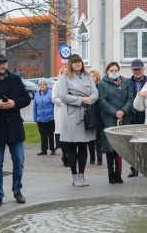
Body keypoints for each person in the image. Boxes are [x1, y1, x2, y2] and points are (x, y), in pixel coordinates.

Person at [0, 53, 31, 207]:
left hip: (15, 128)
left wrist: (14, 103)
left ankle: (17, 191)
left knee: (19, 161)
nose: (1, 66)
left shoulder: (15, 79)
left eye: (4, 63)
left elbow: (26, 98)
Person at [56, 54, 98, 187]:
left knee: (83, 147)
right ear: (70, 64)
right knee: (72, 147)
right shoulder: (65, 78)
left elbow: (96, 93)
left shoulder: (88, 77)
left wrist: (89, 99)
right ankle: (74, 175)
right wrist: (81, 100)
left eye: (79, 61)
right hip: (72, 116)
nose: (78, 64)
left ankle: (82, 175)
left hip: (85, 115)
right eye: (74, 62)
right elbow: (62, 96)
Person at [97, 61, 133, 183]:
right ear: (107, 72)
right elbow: (102, 101)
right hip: (109, 118)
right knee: (110, 147)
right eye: (111, 70)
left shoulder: (126, 82)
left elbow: (130, 99)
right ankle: (111, 173)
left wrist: (123, 111)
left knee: (120, 147)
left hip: (124, 118)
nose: (114, 72)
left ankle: (119, 173)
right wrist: (114, 112)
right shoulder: (103, 84)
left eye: (115, 70)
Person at [125, 59, 147, 177]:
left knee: (146, 143)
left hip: (145, 116)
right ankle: (134, 168)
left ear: (143, 69)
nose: (137, 71)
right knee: (133, 143)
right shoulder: (127, 82)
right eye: (135, 69)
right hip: (132, 116)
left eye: (139, 69)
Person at [33, 81, 56, 156]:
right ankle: (44, 149)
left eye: (44, 84)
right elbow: (34, 107)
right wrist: (35, 118)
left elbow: (54, 105)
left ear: (46, 85)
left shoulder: (51, 93)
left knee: (50, 134)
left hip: (50, 118)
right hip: (40, 118)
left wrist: (54, 116)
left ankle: (52, 149)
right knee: (43, 134)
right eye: (41, 84)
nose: (42, 86)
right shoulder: (36, 94)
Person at [87, 69, 103, 165]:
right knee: (90, 138)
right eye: (90, 76)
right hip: (89, 114)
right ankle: (92, 157)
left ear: (97, 77)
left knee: (98, 137)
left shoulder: (99, 87)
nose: (92, 78)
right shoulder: (87, 88)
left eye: (93, 76)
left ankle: (99, 158)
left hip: (98, 114)